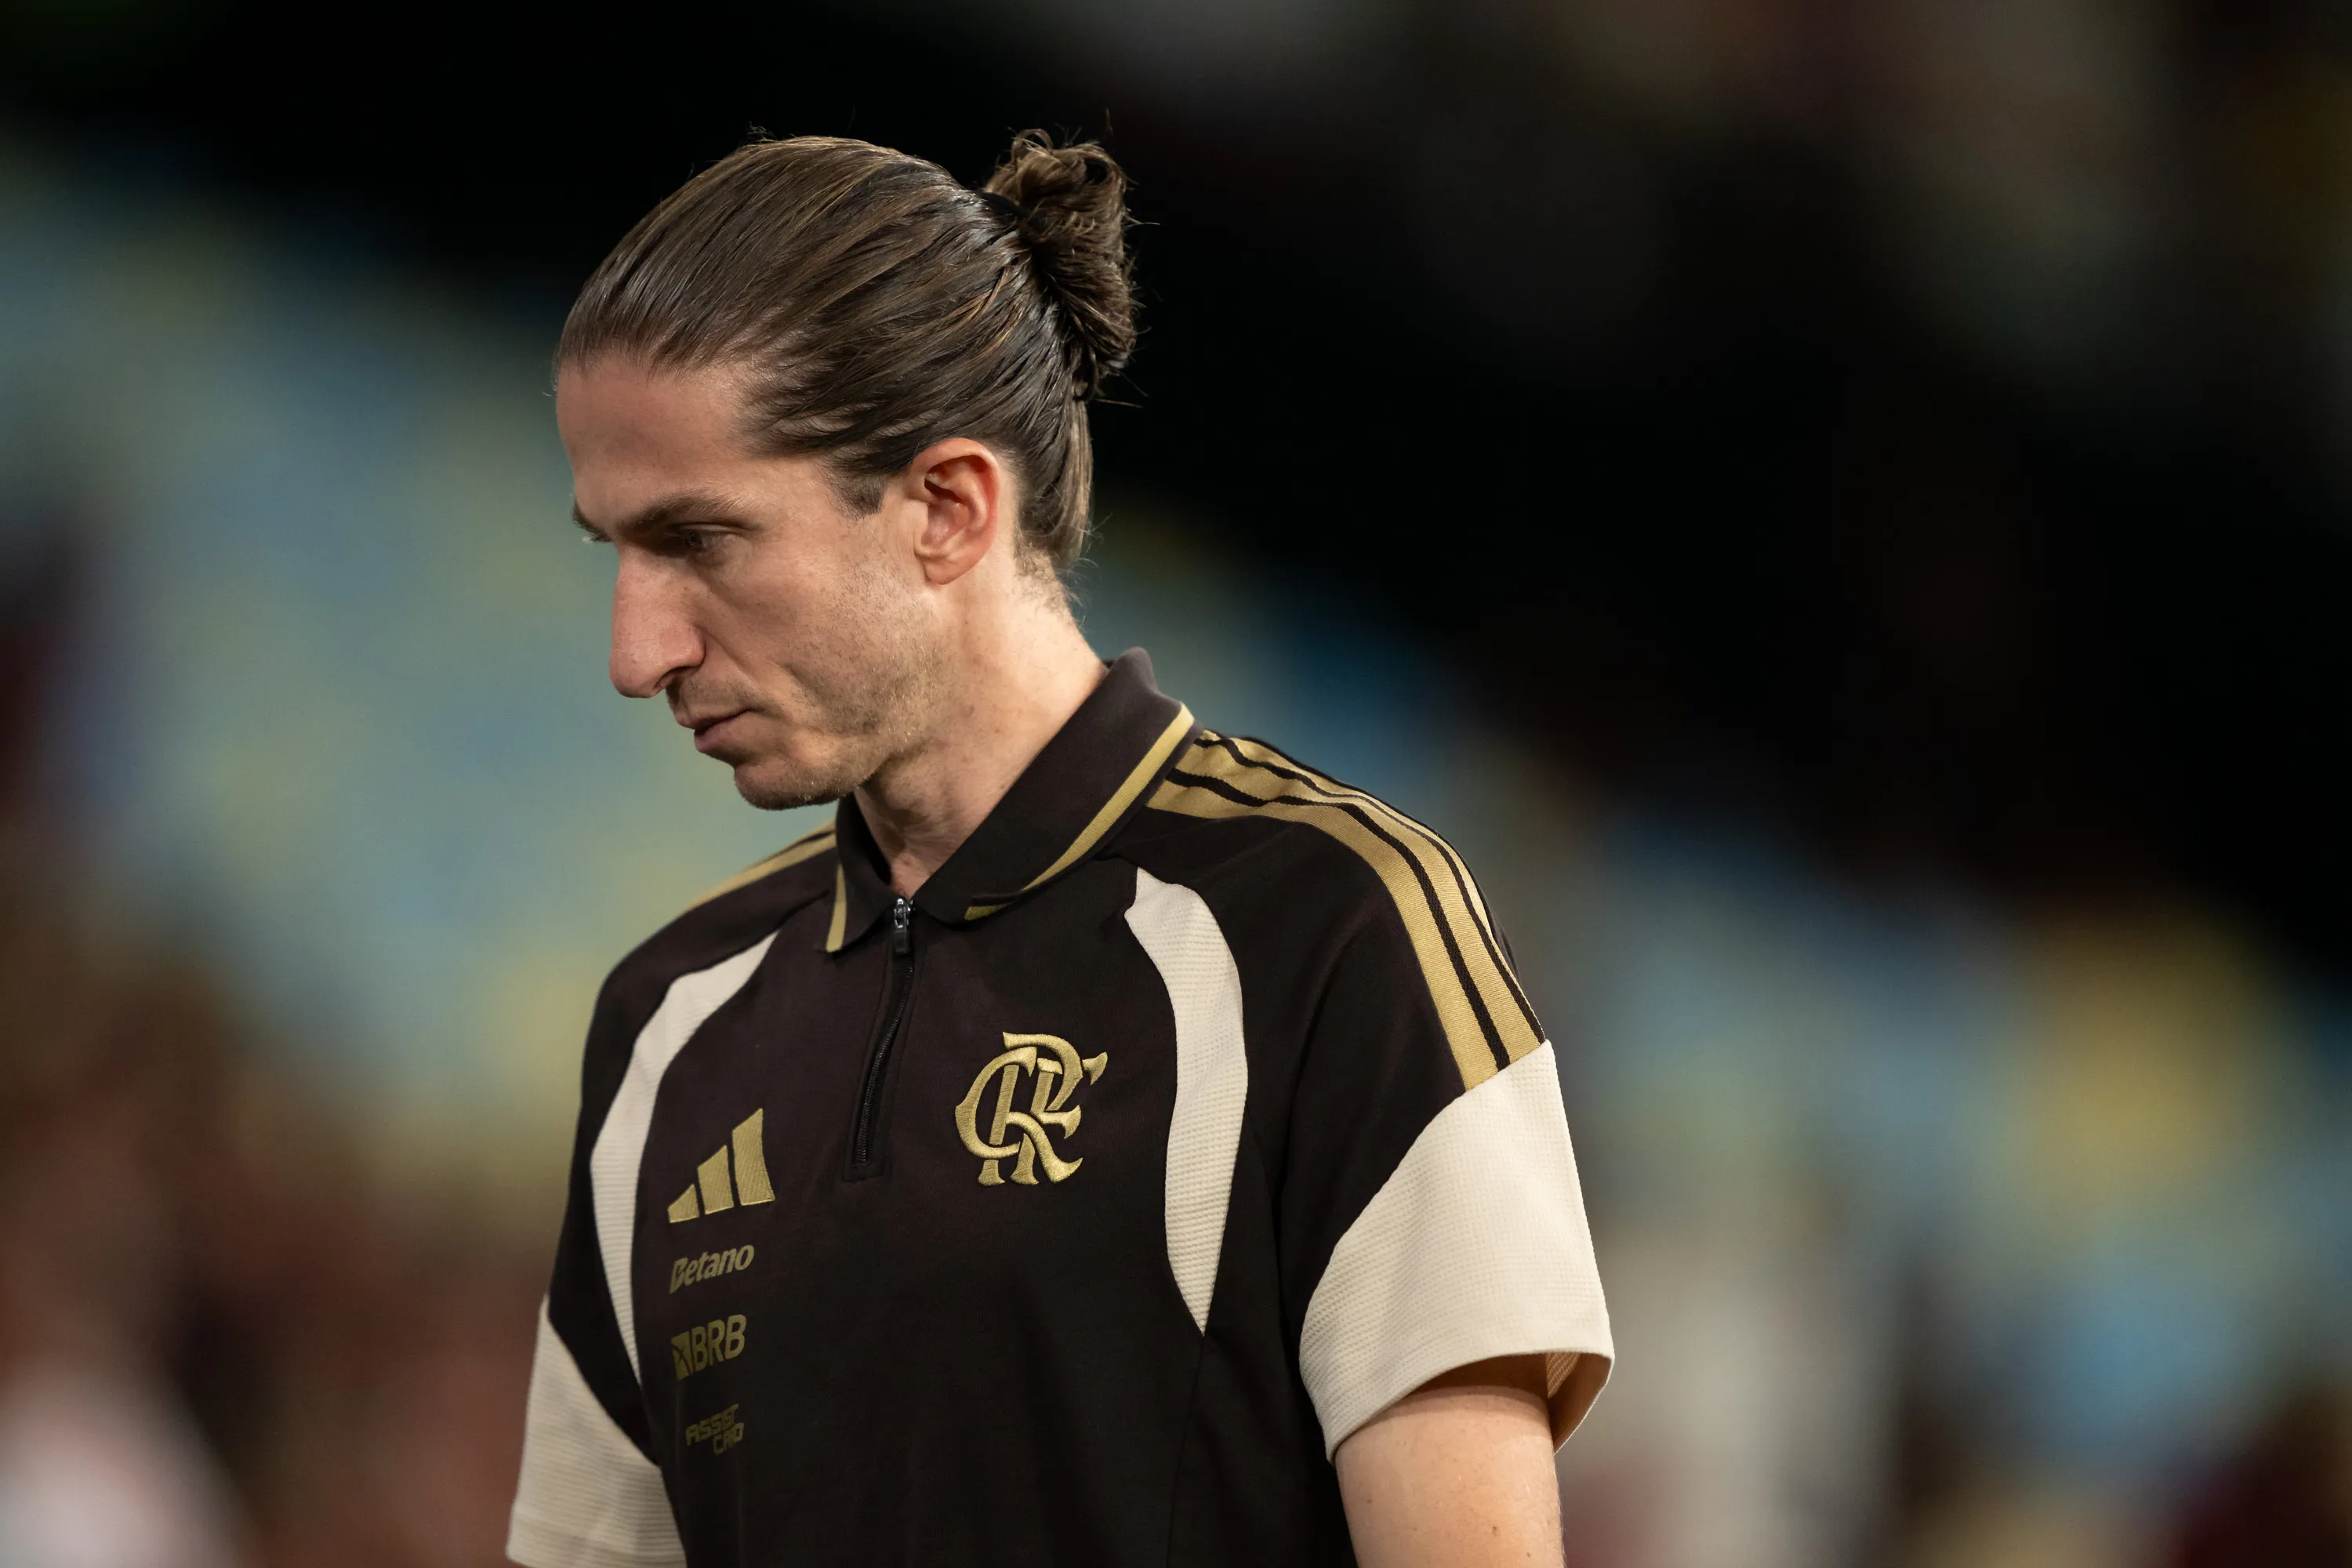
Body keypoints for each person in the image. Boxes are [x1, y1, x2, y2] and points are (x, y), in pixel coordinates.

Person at [508, 129, 1612, 1568]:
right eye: (616, 552)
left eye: (701, 542)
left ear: (949, 509)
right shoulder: (668, 1027)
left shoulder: (1335, 936)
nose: (636, 650)